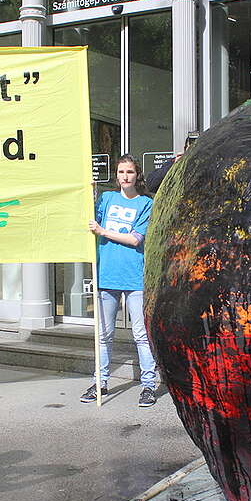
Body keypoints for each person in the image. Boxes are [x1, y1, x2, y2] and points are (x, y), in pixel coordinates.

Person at [81, 154, 158, 408]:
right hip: (107, 275)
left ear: (138, 175)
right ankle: (100, 382)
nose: (125, 177)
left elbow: (136, 239)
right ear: (116, 175)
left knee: (141, 335)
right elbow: (87, 218)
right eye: (122, 172)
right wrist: (88, 194)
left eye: (130, 172)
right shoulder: (106, 198)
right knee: (103, 335)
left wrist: (103, 231)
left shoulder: (146, 203)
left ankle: (148, 385)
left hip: (134, 278)